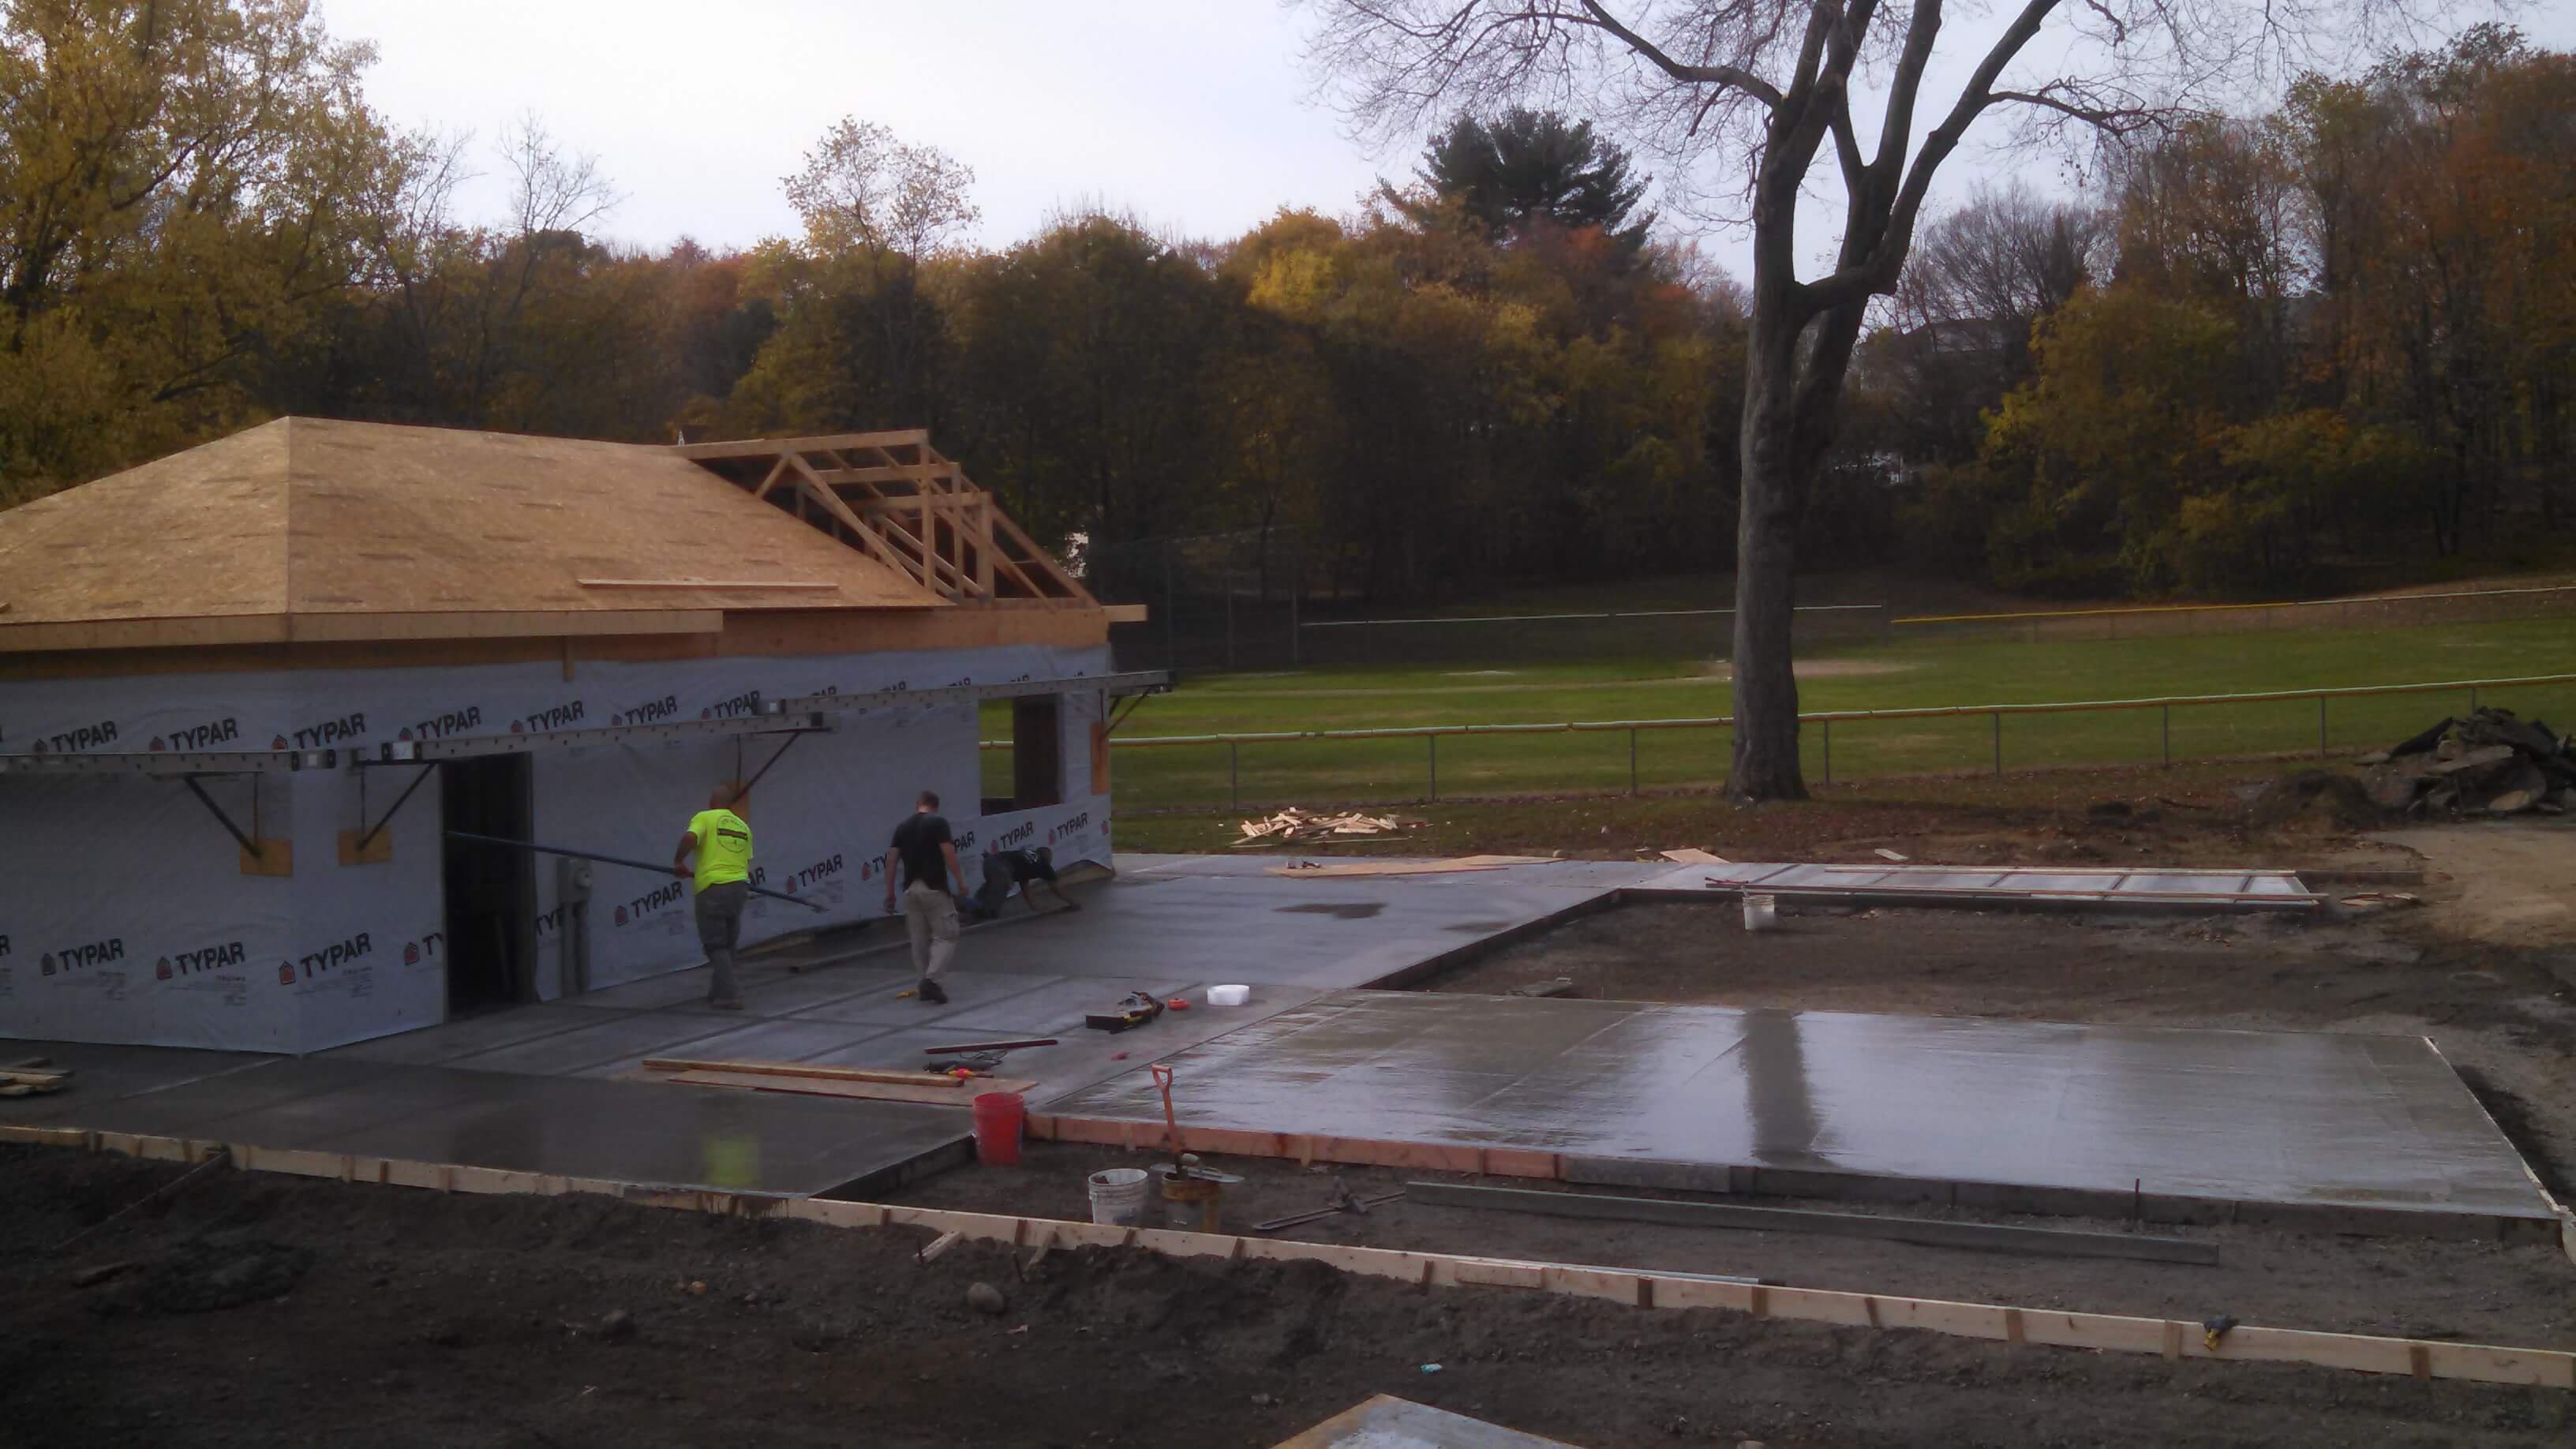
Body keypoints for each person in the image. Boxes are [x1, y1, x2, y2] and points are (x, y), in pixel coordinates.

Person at [674, 784, 754, 1010]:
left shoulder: (705, 818)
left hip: (713, 887)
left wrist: (678, 862)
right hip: (739, 887)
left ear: (711, 803)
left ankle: (729, 996)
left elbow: (690, 838)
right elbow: (745, 862)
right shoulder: (743, 827)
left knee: (715, 945)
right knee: (728, 943)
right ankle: (718, 990)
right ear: (730, 806)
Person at [886, 789, 964, 1004]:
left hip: (910, 888)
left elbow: (891, 860)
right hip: (934, 887)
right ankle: (931, 981)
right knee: (948, 934)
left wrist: (890, 892)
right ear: (936, 807)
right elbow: (948, 853)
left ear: (917, 805)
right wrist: (960, 882)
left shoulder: (902, 827)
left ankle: (924, 982)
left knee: (918, 939)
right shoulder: (938, 823)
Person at [969, 843, 1081, 919]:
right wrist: (1072, 902)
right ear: (1047, 857)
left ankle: (972, 908)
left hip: (990, 861)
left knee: (991, 887)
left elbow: (1024, 887)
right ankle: (984, 913)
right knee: (1003, 888)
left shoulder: (1028, 860)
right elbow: (1056, 888)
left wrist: (1034, 906)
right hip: (1000, 866)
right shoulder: (1043, 864)